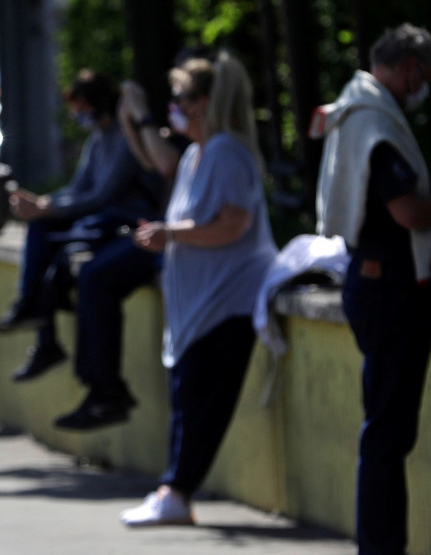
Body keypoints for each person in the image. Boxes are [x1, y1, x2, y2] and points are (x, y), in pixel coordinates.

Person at [313, 24, 431, 555]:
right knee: (387, 437)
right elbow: (407, 211)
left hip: (378, 288)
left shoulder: (356, 108)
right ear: (411, 66)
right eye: (428, 75)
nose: (427, 86)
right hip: (391, 295)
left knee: (385, 433)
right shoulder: (376, 121)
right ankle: (380, 548)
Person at [123, 52, 277, 526]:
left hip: (226, 300)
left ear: (205, 103)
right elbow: (184, 209)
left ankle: (177, 491)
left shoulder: (228, 152)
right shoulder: (195, 154)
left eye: (182, 98)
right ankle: (173, 491)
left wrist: (171, 235)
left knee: (202, 404)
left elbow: (233, 224)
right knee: (188, 399)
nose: (175, 106)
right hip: (197, 306)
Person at [0, 70, 164, 388]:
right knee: (42, 228)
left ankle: (41, 323)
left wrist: (48, 207)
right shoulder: (98, 139)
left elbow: (101, 196)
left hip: (122, 222)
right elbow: (78, 188)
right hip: (100, 219)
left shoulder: (126, 138)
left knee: (85, 272)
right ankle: (36, 320)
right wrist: (42, 202)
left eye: (82, 106)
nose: (77, 114)